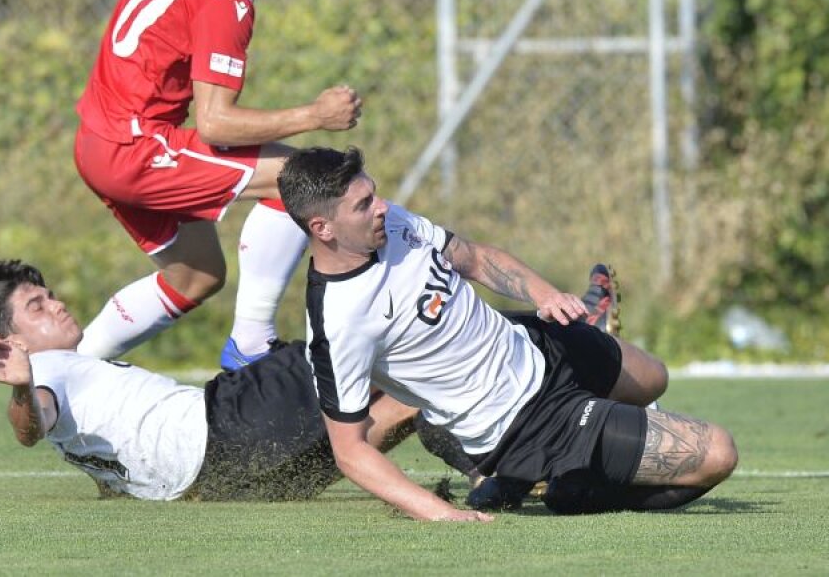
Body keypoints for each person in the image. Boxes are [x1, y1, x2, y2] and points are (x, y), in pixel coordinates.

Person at [278, 146, 739, 521]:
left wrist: (544, 294)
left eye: (374, 194)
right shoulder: (337, 322)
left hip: (530, 343)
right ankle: (573, 489)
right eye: (364, 205)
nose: (381, 207)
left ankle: (535, 471)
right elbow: (350, 451)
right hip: (527, 423)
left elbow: (474, 259)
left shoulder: (389, 223)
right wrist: (436, 511)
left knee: (652, 378)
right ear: (323, 228)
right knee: (718, 454)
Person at [73, 0, 361, 369]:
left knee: (198, 275)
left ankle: (69, 374)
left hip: (96, 140)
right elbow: (215, 124)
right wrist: (315, 113)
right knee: (305, 180)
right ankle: (251, 346)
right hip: (135, 148)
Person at [0, 258, 425, 503]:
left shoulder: (68, 394)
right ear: (11, 341)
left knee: (400, 405)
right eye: (37, 307)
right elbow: (31, 423)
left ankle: (488, 447)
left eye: (50, 295)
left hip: (224, 485)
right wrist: (21, 384)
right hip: (228, 422)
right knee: (359, 338)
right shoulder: (47, 368)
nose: (57, 304)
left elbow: (52, 434)